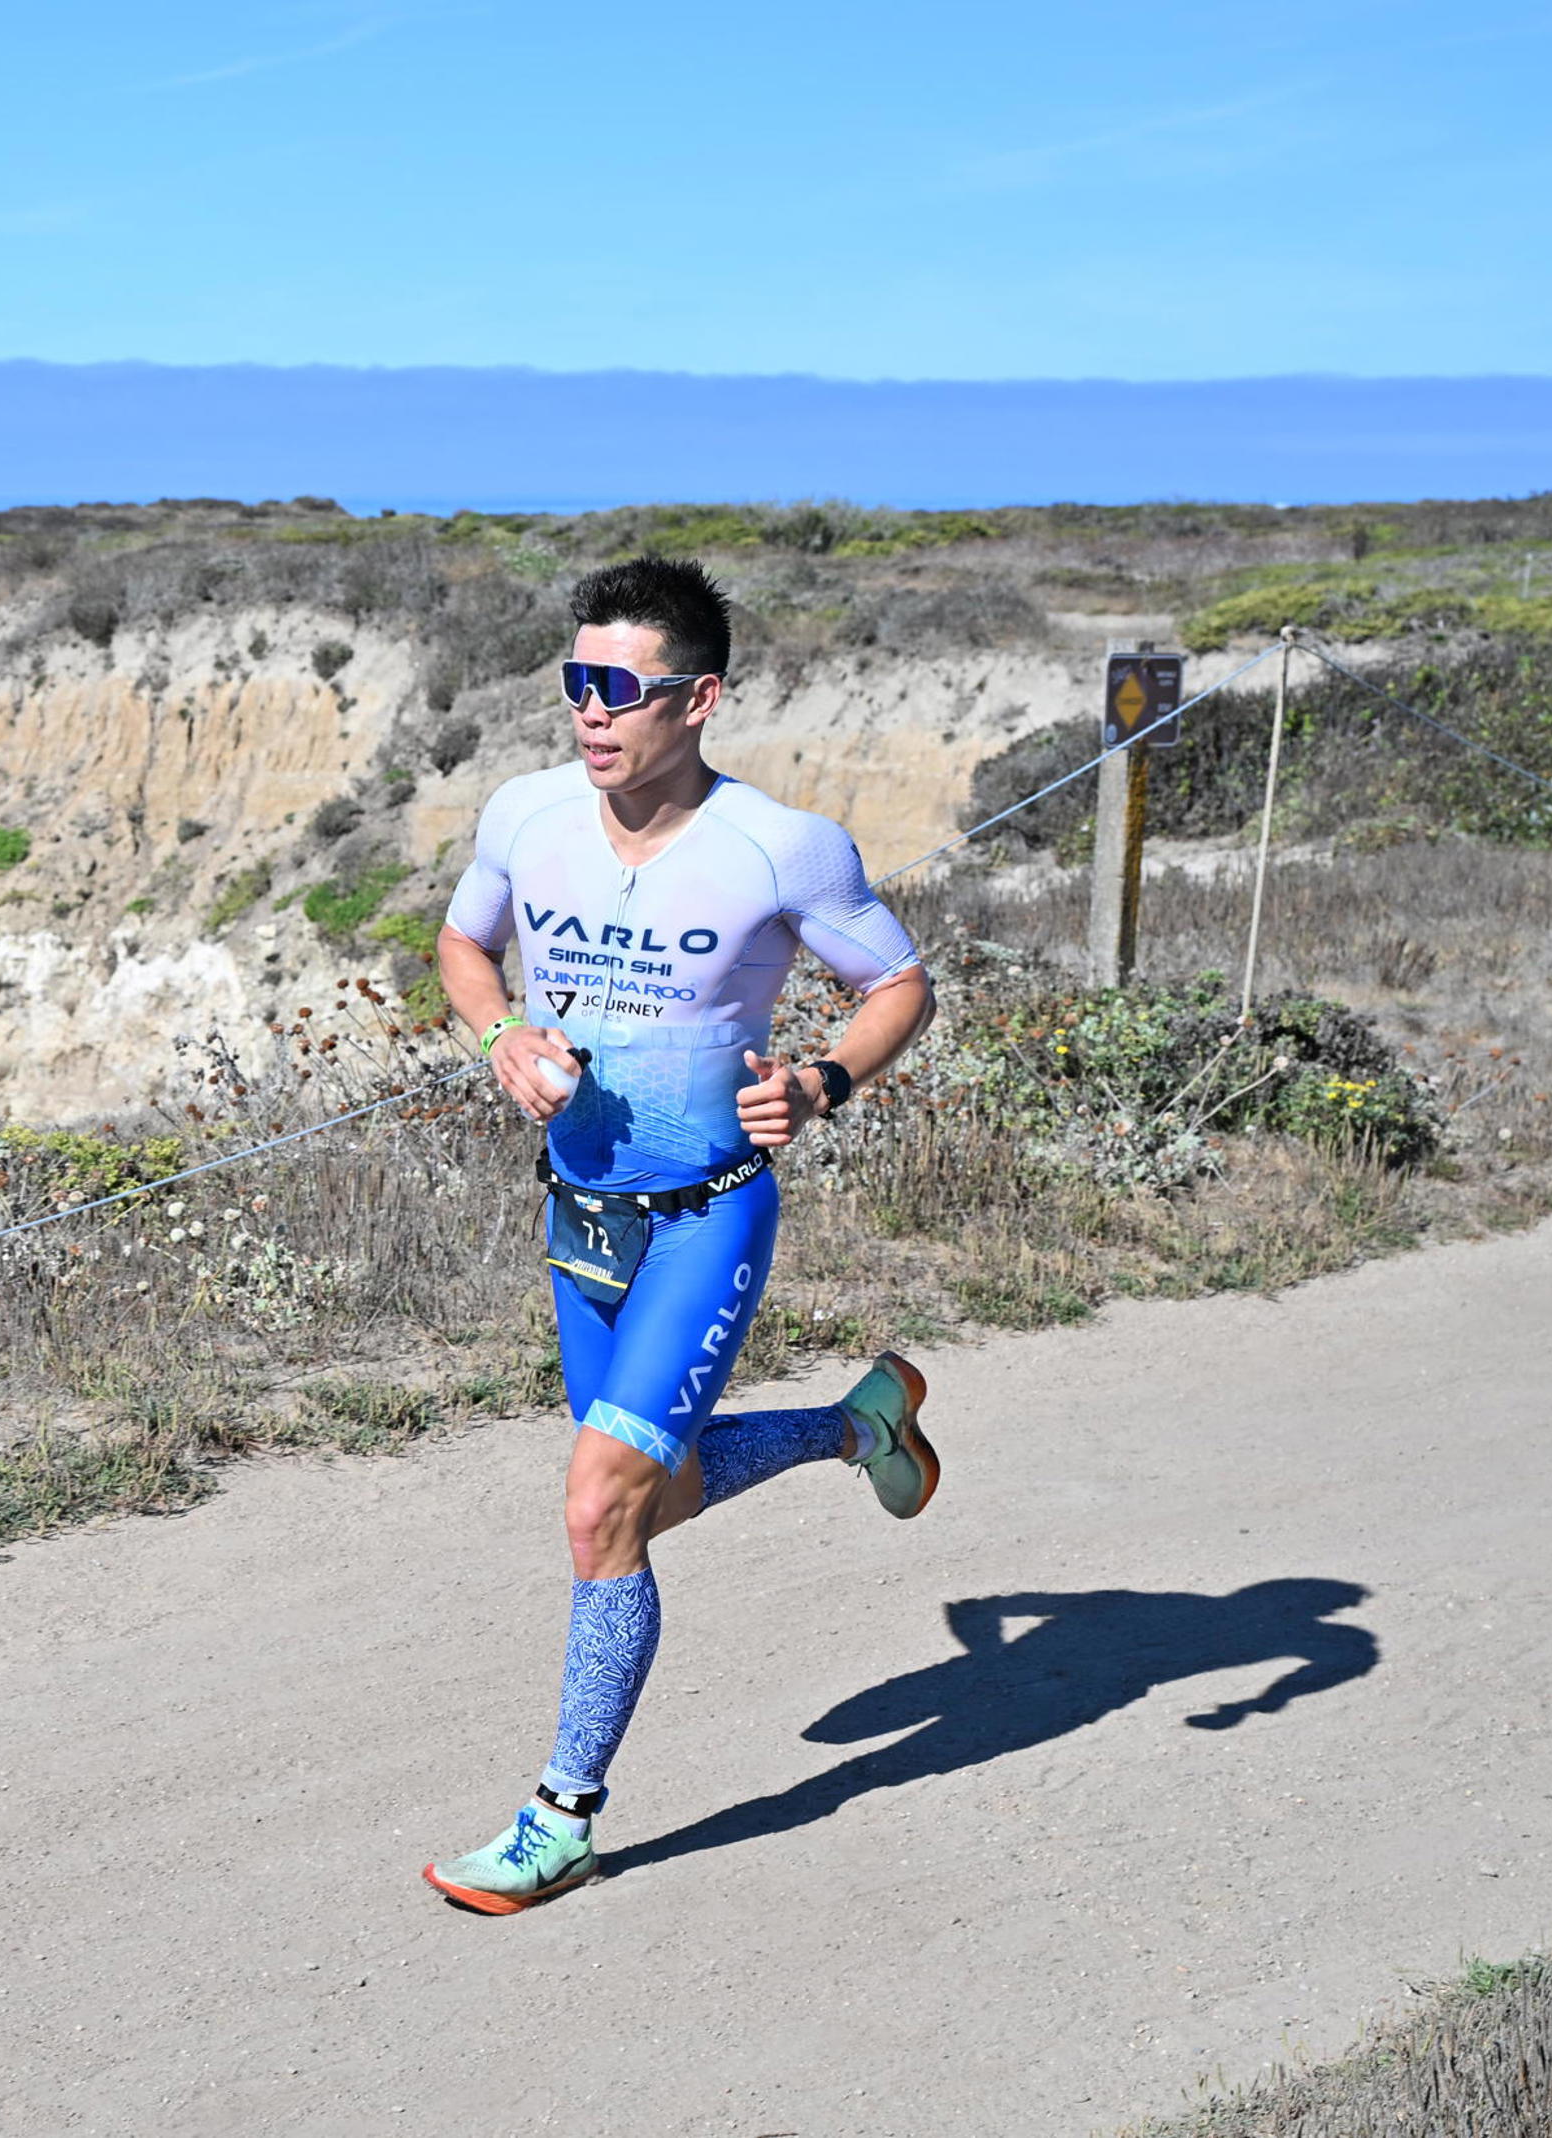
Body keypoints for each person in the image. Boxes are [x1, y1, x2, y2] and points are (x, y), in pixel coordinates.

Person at [421, 555, 942, 1916]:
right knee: (653, 1493)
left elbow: (896, 982)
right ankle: (855, 1426)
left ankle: (563, 1816)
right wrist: (501, 1034)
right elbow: (461, 949)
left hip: (709, 1215)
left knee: (599, 1506)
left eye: (619, 690)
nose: (590, 714)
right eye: (574, 685)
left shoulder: (781, 848)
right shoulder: (528, 815)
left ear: (699, 698)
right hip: (579, 1215)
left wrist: (827, 1079)